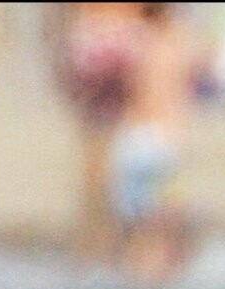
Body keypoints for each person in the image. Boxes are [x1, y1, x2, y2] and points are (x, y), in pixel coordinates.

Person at [110, 2, 196, 283]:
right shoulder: (178, 43)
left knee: (136, 221)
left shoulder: (138, 43)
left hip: (136, 136)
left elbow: (127, 91)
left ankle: (139, 272)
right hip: (166, 138)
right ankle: (161, 272)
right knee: (161, 217)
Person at [58, 3, 144, 258]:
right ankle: (103, 235)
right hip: (112, 42)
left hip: (100, 42)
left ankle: (99, 235)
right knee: (105, 153)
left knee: (102, 152)